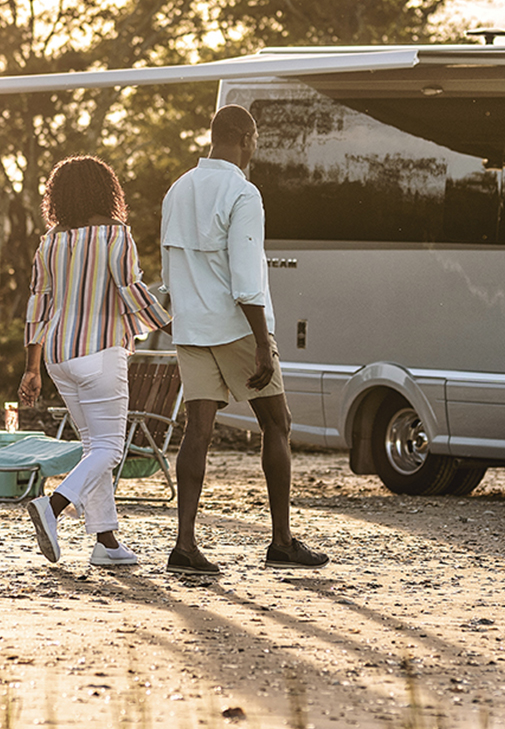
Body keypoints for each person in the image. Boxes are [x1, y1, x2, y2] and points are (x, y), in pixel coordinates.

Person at [161, 104, 329, 576]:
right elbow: (245, 277)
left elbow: (169, 269)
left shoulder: (177, 190)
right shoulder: (243, 193)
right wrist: (262, 341)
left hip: (191, 328)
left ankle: (185, 545)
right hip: (237, 327)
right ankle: (281, 541)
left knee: (198, 431)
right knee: (278, 423)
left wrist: (182, 317)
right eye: (254, 139)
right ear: (244, 137)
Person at [20, 156, 173, 567]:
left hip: (56, 356)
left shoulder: (49, 242)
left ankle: (106, 541)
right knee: (110, 448)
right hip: (99, 351)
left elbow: (38, 302)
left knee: (94, 447)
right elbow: (130, 288)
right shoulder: (114, 235)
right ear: (105, 190)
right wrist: (170, 324)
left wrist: (32, 367)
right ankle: (51, 507)